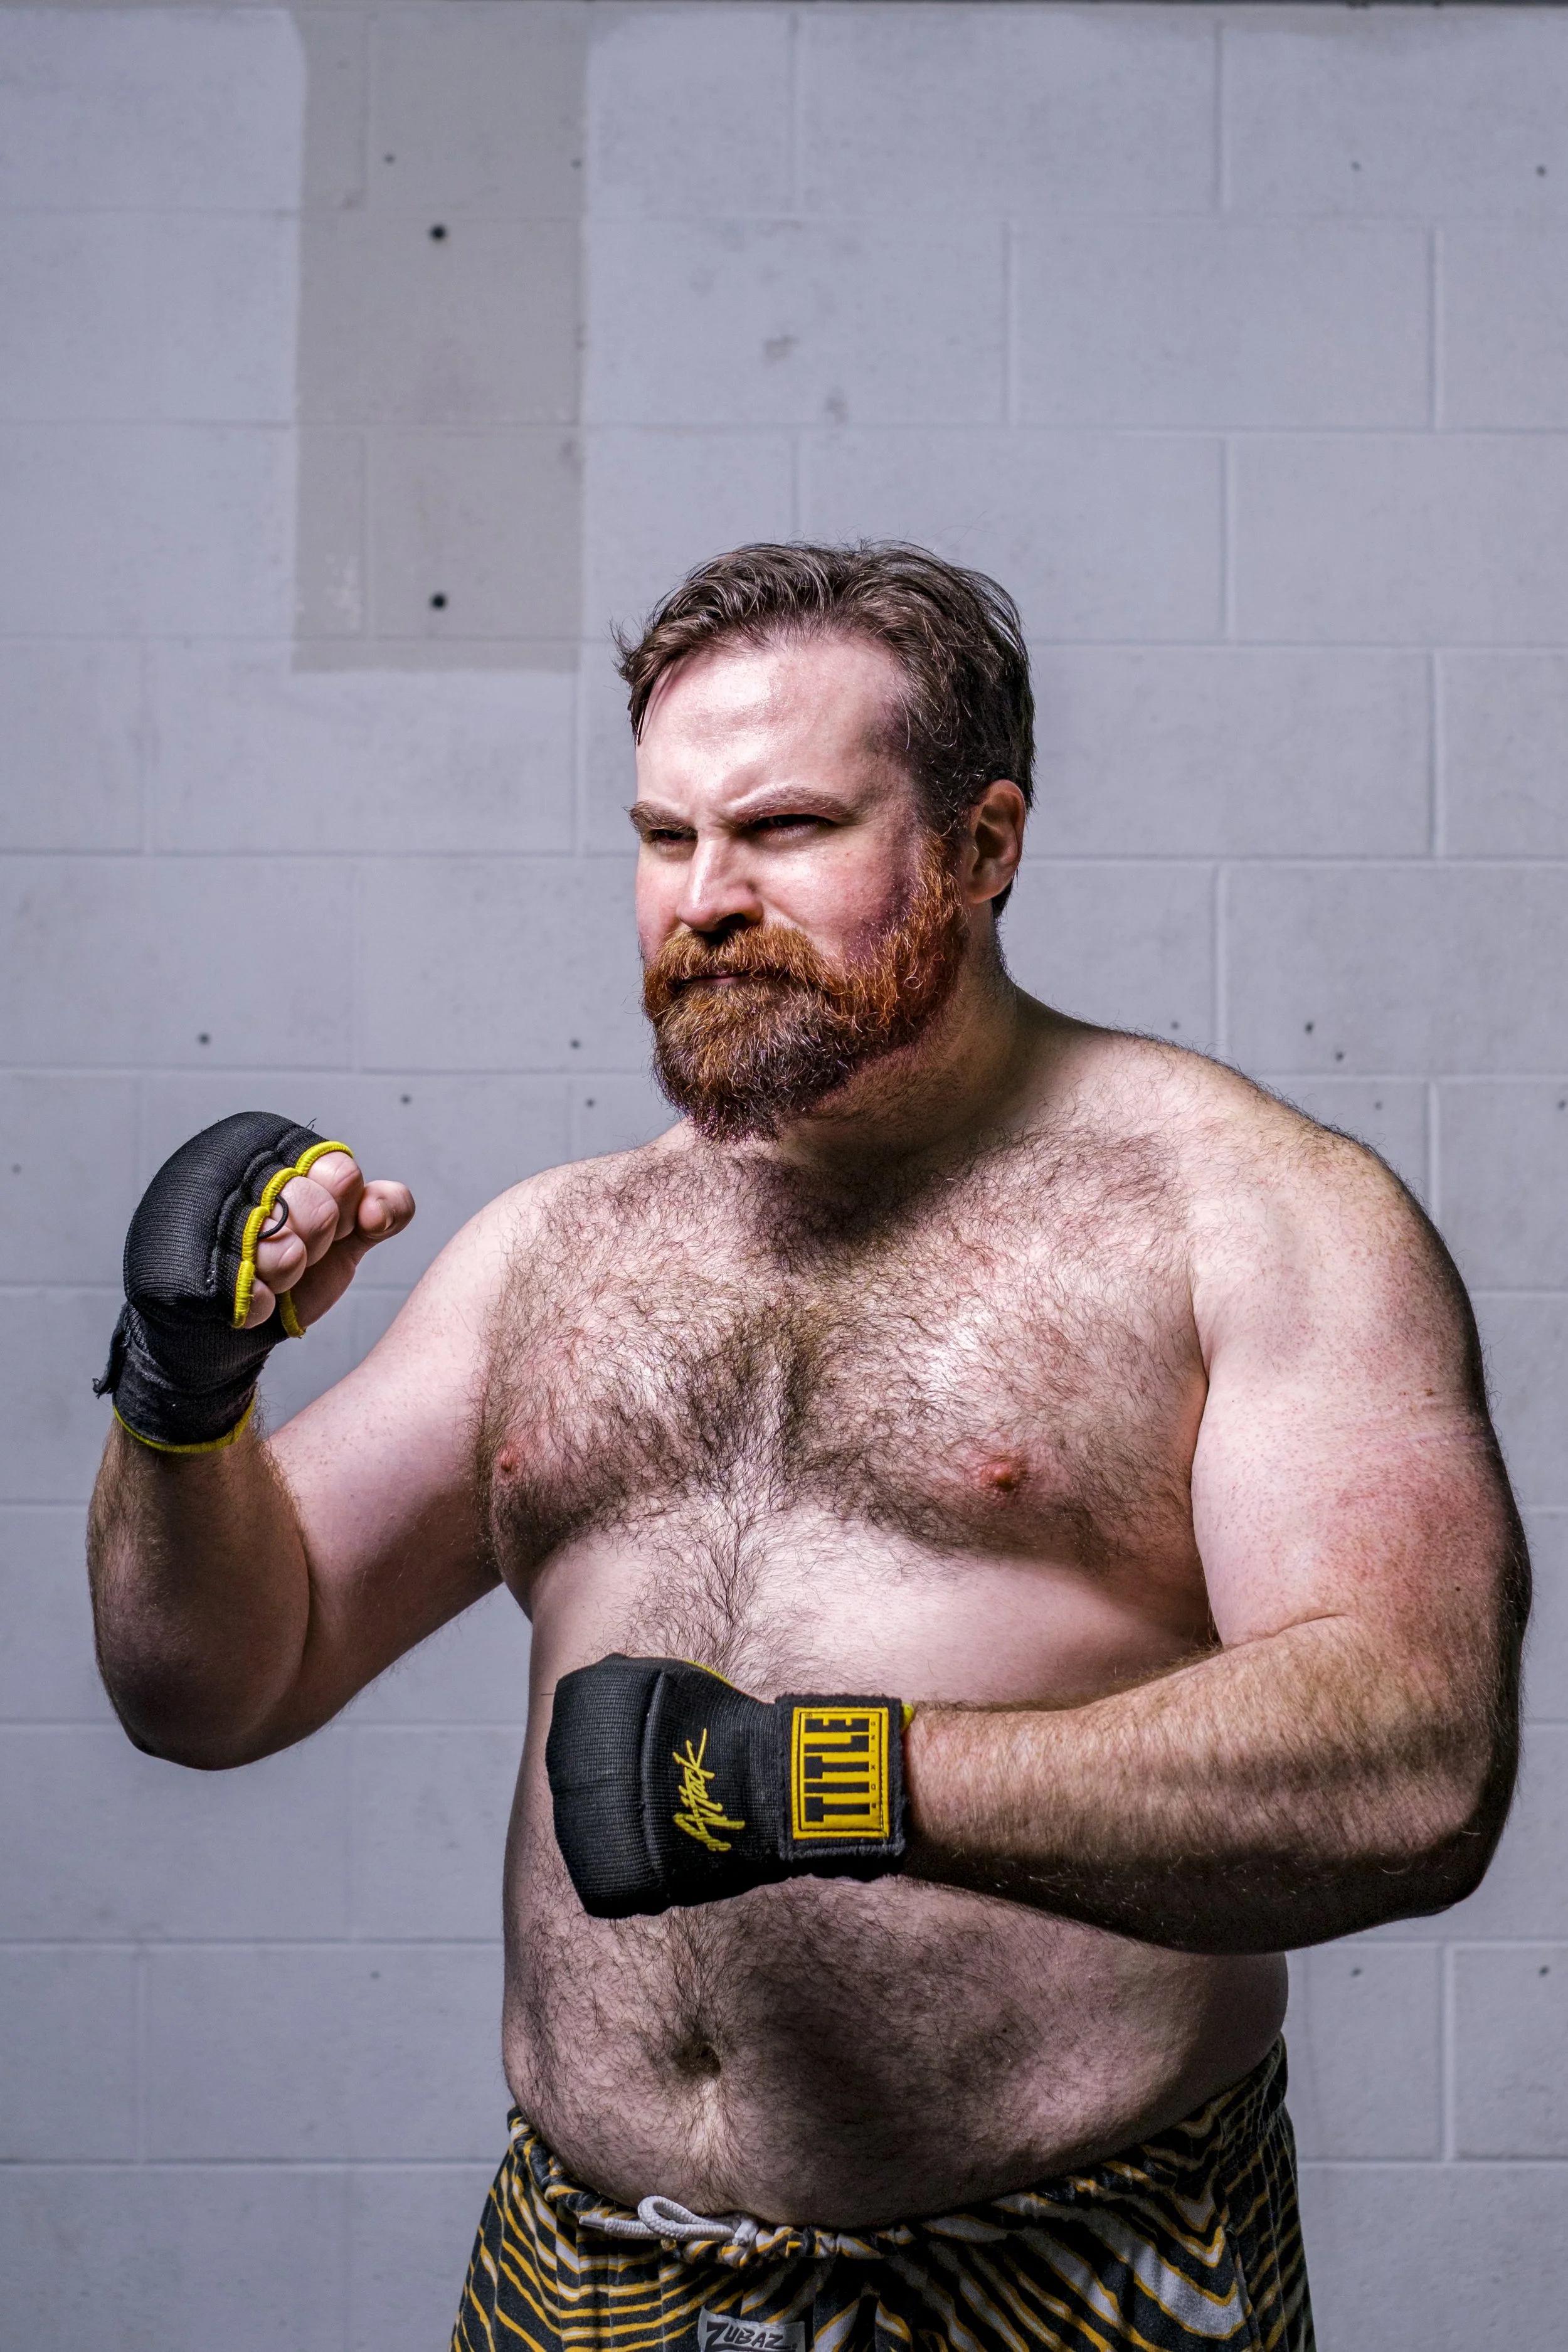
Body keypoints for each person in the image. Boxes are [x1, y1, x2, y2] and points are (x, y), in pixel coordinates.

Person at [88, 543, 1525, 2352]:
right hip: (586, 2275)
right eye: (665, 836)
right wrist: (179, 1401)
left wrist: (815, 1781)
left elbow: (1411, 1760)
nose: (704, 898)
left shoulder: (1241, 1218)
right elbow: (216, 1679)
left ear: (984, 845)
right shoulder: (556, 1251)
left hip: (1061, 2278)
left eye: (781, 829)